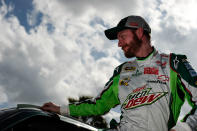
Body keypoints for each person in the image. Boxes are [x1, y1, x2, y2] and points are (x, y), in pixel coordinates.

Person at [41, 15, 197, 131]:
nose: (119, 44)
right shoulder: (121, 71)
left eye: (122, 37)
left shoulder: (173, 63)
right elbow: (98, 106)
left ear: (140, 33)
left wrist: (186, 128)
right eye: (118, 39)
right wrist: (60, 109)